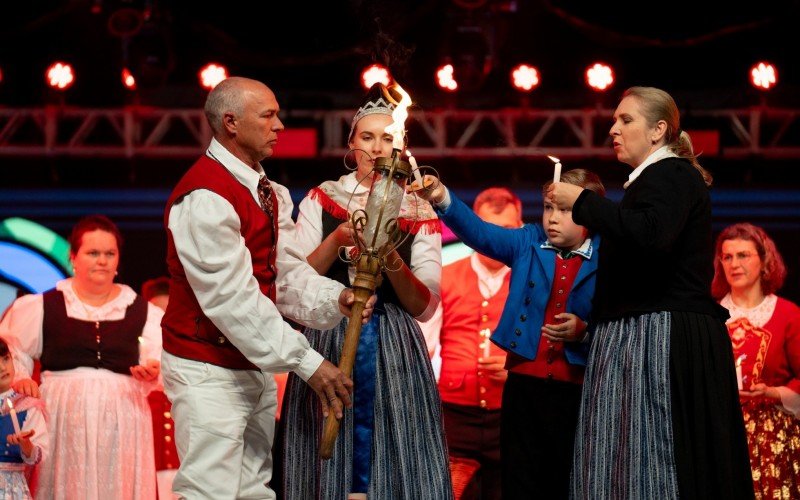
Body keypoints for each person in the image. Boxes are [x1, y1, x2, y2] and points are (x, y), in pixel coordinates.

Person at [161, 76, 373, 500]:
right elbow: (232, 300)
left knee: (253, 491)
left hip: (246, 365)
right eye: (268, 115)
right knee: (210, 491)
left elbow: (283, 274)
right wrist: (309, 363)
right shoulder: (206, 197)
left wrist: (337, 297)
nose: (280, 126)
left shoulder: (264, 190)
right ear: (231, 122)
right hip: (207, 366)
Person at [547, 86, 753, 499]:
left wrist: (583, 203)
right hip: (645, 331)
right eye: (614, 120)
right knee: (629, 460)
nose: (613, 129)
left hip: (658, 338)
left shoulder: (672, 173)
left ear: (659, 130)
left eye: (626, 120)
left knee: (652, 458)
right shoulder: (655, 180)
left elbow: (651, 234)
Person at [279, 83, 451, 500]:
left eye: (388, 138)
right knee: (325, 453)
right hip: (330, 336)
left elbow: (425, 306)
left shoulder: (419, 210)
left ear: (401, 145)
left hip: (393, 346)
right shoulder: (323, 198)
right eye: (368, 137)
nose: (377, 148)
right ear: (351, 143)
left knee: (396, 461)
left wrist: (387, 252)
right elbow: (294, 279)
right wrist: (340, 236)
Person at [418, 170, 604, 499]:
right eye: (549, 208)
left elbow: (621, 322)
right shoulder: (528, 241)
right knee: (519, 482)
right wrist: (440, 195)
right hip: (523, 388)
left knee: (568, 482)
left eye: (565, 209)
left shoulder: (609, 256)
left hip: (578, 391)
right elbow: (479, 232)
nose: (554, 219)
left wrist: (585, 332)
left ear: (591, 212)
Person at [0, 214, 163, 500]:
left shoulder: (142, 311)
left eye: (109, 253)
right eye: (93, 253)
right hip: (63, 416)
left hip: (123, 419)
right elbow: (12, 350)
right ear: (73, 257)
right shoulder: (42, 306)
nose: (102, 260)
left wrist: (153, 371)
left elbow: (161, 362)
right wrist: (23, 379)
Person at [426, 187, 519, 499]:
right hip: (454, 416)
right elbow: (425, 347)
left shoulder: (530, 278)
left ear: (520, 229)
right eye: (488, 228)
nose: (496, 238)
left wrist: (516, 371)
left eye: (506, 229)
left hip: (511, 415)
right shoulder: (445, 276)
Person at [712, 222, 800, 499]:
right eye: (727, 257)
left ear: (764, 261)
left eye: (743, 255)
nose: (734, 264)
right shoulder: (710, 317)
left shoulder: (787, 314)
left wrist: (772, 392)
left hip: (773, 436)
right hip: (721, 432)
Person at [0, 337, 47, 499]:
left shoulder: (26, 404)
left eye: (5, 359)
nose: (2, 367)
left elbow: (37, 454)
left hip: (11, 490)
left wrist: (26, 444)